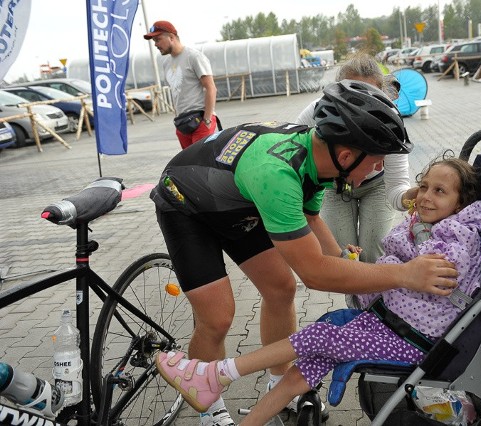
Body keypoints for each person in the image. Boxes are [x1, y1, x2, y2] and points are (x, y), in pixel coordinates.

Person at [149, 80, 458, 426]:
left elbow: (310, 218)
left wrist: (342, 256)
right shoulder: (279, 176)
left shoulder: (320, 160)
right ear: (346, 156)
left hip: (238, 202)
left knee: (281, 289)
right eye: (376, 163)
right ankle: (208, 406)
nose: (377, 171)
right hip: (187, 204)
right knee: (218, 316)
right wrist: (405, 274)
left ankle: (279, 383)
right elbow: (314, 273)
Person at [296, 52, 417, 265]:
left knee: (372, 256)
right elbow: (296, 160)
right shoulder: (315, 112)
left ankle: (377, 298)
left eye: (368, 95)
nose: (358, 103)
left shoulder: (389, 122)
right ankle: (356, 299)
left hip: (376, 188)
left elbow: (397, 190)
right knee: (346, 258)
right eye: (350, 92)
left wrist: (418, 195)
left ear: (381, 94)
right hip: (334, 188)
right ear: (336, 90)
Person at [144, 20, 218, 149]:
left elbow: (211, 88)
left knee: (201, 163)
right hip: (182, 123)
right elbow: (176, 91)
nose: (156, 44)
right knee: (189, 164)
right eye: (154, 41)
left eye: (158, 39)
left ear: (171, 37)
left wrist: (207, 120)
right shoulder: (166, 63)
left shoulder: (194, 57)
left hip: (200, 120)